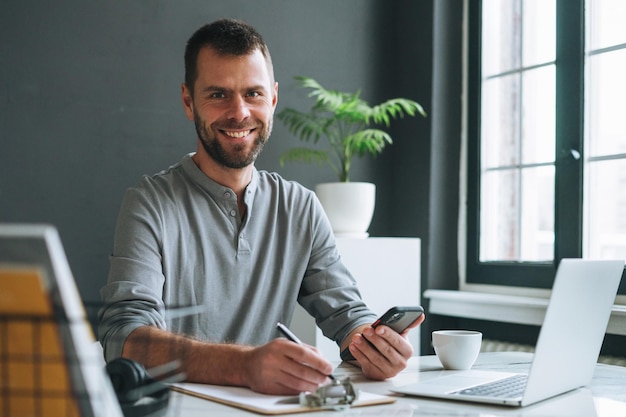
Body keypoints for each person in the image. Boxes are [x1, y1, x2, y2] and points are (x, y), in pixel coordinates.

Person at [98, 18, 424, 395]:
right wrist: (244, 365)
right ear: (189, 102)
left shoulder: (300, 206)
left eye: (253, 93)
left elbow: (347, 315)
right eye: (218, 95)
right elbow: (125, 337)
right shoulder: (149, 202)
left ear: (273, 98)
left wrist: (374, 347)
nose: (239, 112)